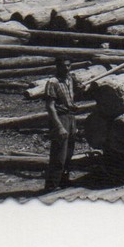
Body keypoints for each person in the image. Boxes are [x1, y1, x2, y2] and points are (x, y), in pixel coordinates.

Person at [41, 59, 78, 191]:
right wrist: (59, 127)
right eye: (63, 66)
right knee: (59, 154)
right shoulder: (52, 82)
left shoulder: (70, 79)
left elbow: (72, 97)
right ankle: (51, 186)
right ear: (57, 67)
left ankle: (64, 181)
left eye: (68, 65)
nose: (66, 68)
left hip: (71, 116)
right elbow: (50, 107)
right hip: (60, 118)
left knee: (69, 152)